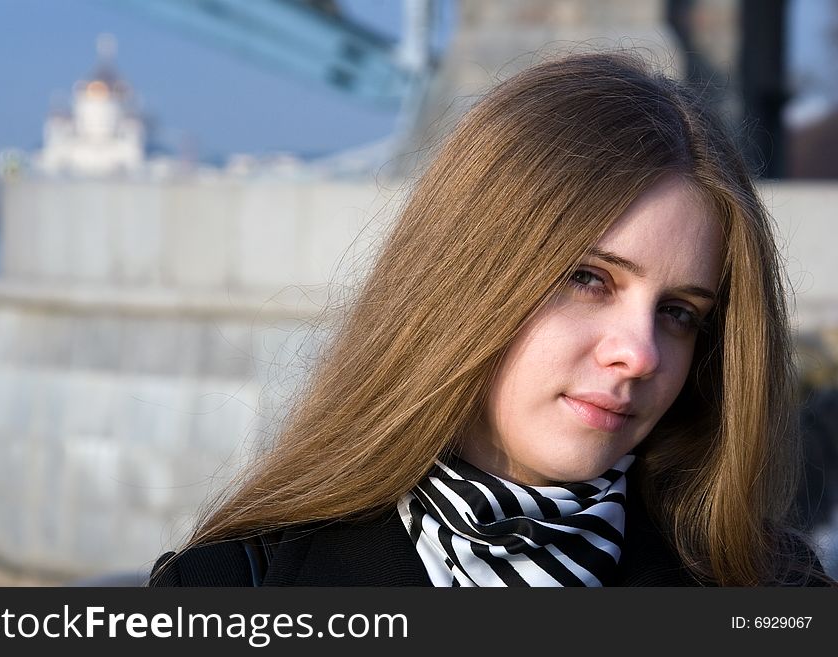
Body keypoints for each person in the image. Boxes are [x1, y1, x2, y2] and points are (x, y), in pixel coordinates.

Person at [149, 50, 835, 587]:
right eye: (588, 278)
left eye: (680, 312)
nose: (642, 351)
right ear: (470, 278)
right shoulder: (231, 590)